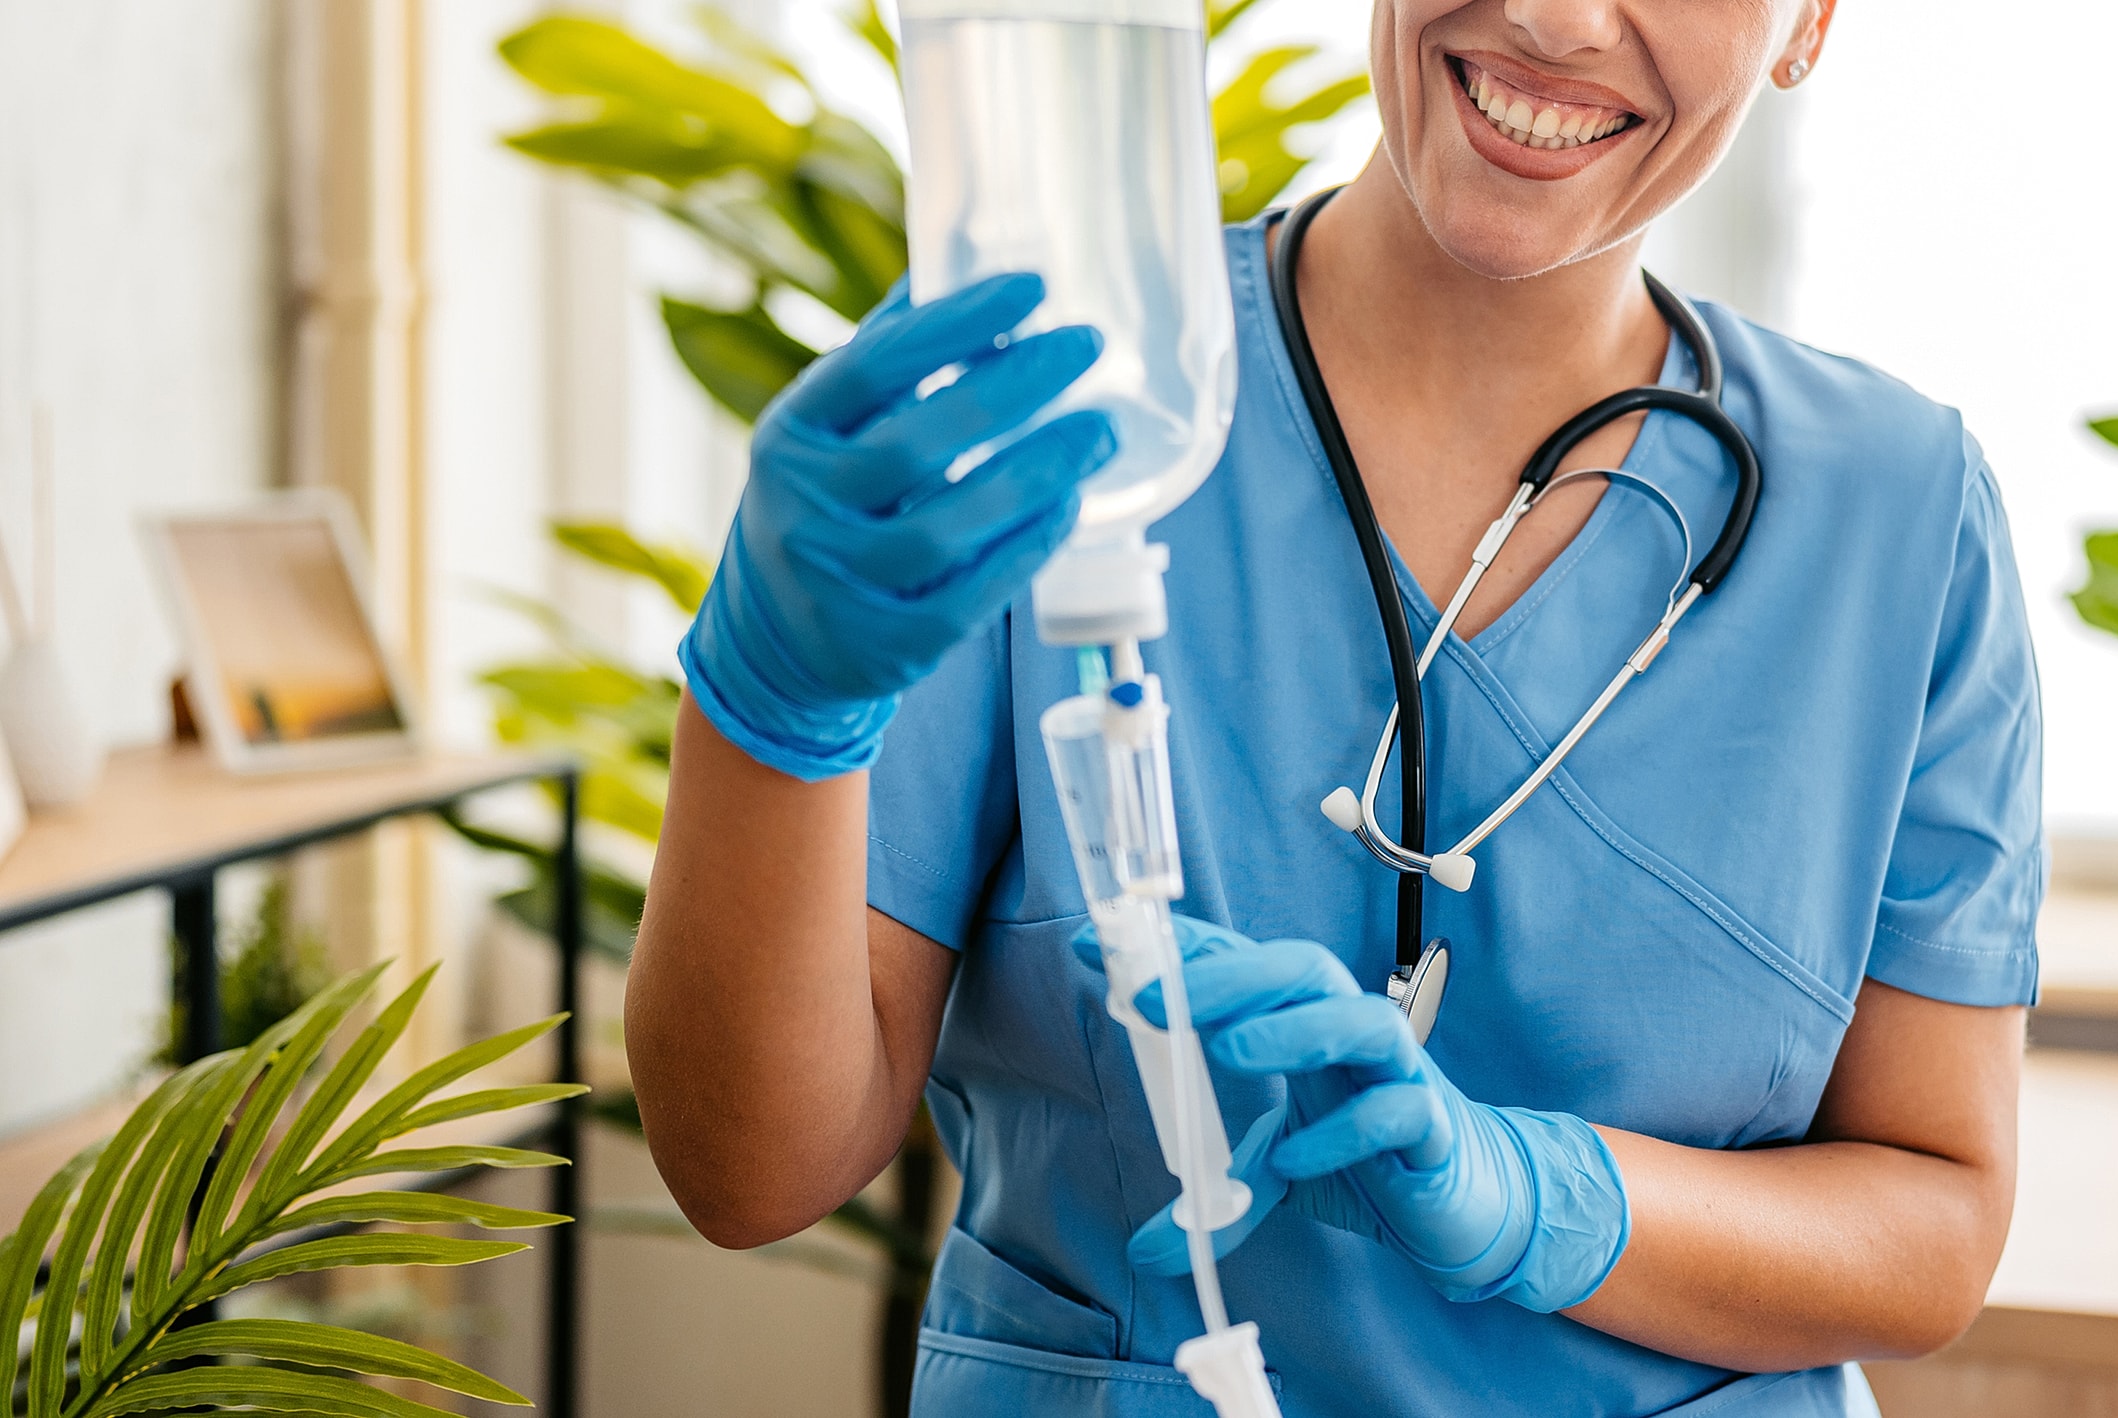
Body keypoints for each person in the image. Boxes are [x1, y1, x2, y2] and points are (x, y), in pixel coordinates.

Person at [627, 0, 2042, 1413]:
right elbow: (750, 1173)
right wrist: (772, 703)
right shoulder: (1051, 395)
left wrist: (1532, 1197)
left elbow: (1934, 1229)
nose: (1552, 18)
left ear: (1809, 23)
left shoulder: (1900, 514)